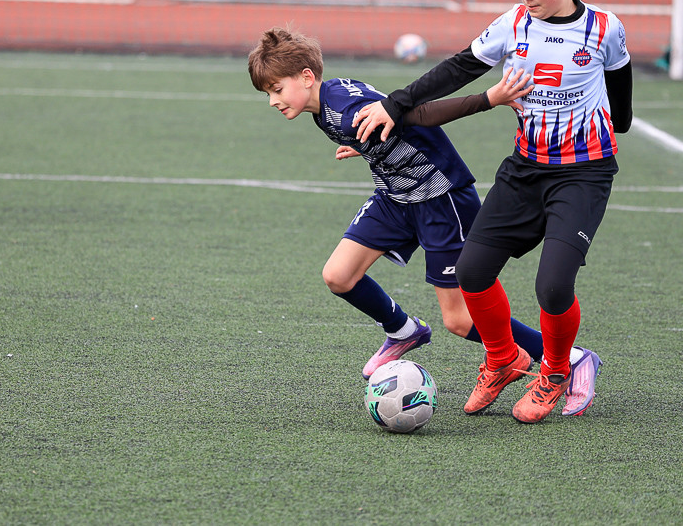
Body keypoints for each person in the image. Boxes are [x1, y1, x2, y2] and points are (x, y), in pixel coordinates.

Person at [353, 0, 631, 423]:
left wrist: (619, 122)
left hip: (584, 174)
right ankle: (502, 360)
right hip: (524, 170)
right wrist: (397, 105)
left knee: (552, 286)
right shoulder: (513, 24)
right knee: (472, 272)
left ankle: (554, 373)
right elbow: (459, 67)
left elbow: (621, 84)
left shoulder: (605, 28)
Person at [247, 27, 600, 405]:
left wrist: (489, 98)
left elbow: (419, 115)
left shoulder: (344, 111)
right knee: (338, 275)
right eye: (268, 93)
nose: (272, 101)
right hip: (396, 195)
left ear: (305, 77)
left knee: (459, 320)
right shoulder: (329, 97)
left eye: (277, 89)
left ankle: (570, 358)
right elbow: (383, 118)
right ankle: (403, 331)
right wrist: (364, 146)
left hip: (440, 198)